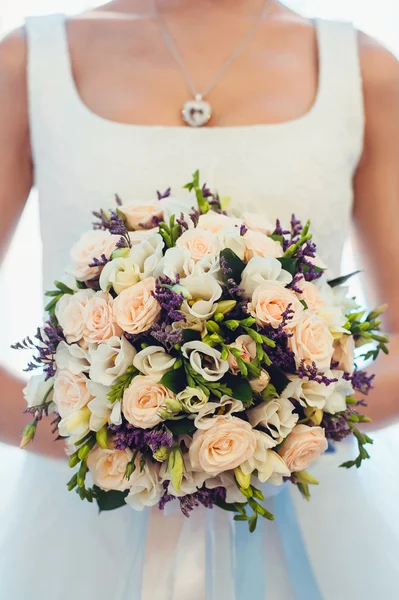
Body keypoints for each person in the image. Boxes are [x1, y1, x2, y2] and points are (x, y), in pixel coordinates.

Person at [0, 1, 398, 598]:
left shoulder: (364, 70)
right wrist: (124, 445)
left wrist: (288, 429)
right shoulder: (28, 62)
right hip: (83, 531)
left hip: (306, 518)